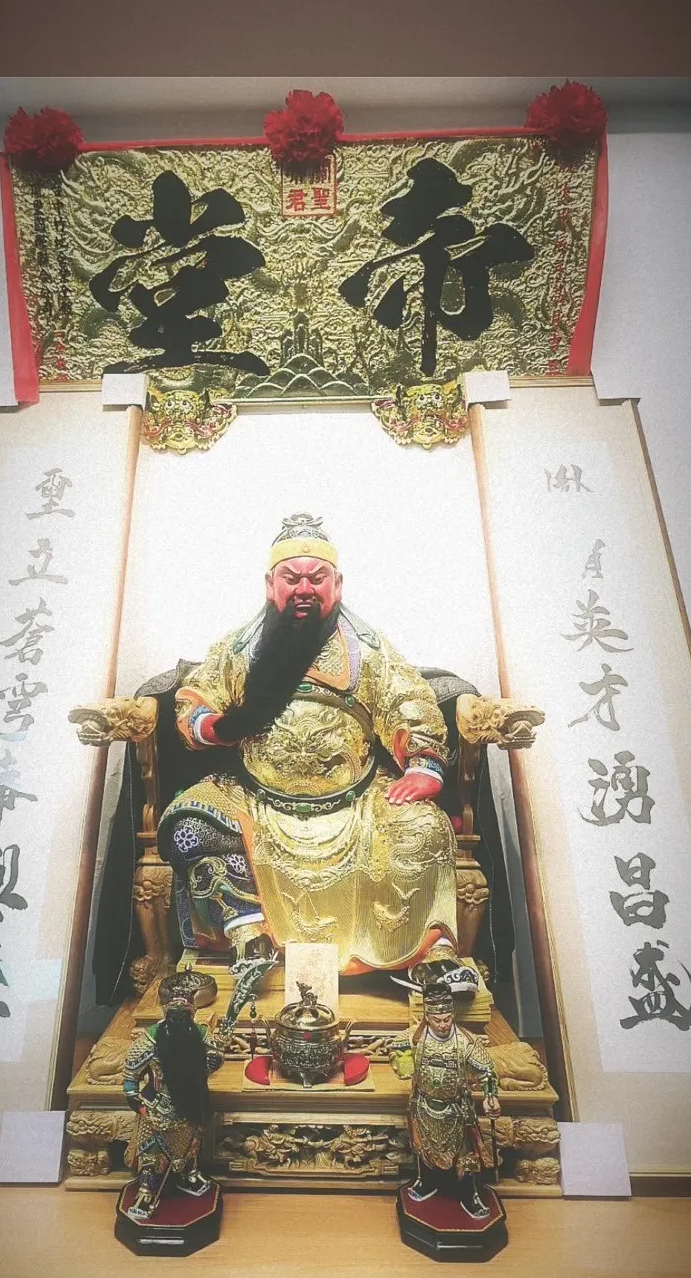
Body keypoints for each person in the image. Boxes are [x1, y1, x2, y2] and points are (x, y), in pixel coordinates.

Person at [159, 513, 462, 979]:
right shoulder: (239, 649)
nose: (304, 589)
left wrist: (423, 765)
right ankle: (248, 932)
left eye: (317, 578)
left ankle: (428, 956)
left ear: (337, 585)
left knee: (426, 827)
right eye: (291, 578)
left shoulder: (368, 650)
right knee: (188, 825)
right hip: (256, 801)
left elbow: (407, 700)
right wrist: (213, 726)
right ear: (270, 585)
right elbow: (196, 699)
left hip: (356, 806)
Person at [390, 980, 501, 1216]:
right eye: (437, 1020)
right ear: (427, 1017)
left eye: (447, 1019)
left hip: (456, 1111)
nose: (443, 1024)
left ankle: (470, 1194)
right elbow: (396, 1049)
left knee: (466, 1157)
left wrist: (491, 1097)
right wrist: (402, 1062)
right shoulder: (415, 1038)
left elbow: (488, 1072)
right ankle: (426, 1181)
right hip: (423, 1105)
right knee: (423, 1148)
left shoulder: (466, 1042)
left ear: (453, 1015)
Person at [122, 979, 223, 1219]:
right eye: (175, 1011)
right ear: (165, 1011)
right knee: (152, 1153)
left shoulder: (200, 1033)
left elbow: (212, 1062)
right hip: (158, 1107)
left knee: (191, 1145)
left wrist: (215, 1058)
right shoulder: (150, 1039)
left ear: (192, 1011)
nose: (179, 1015)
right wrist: (134, 1099)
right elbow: (131, 1072)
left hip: (192, 1101)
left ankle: (189, 1175)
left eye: (184, 1011)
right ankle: (147, 1190)